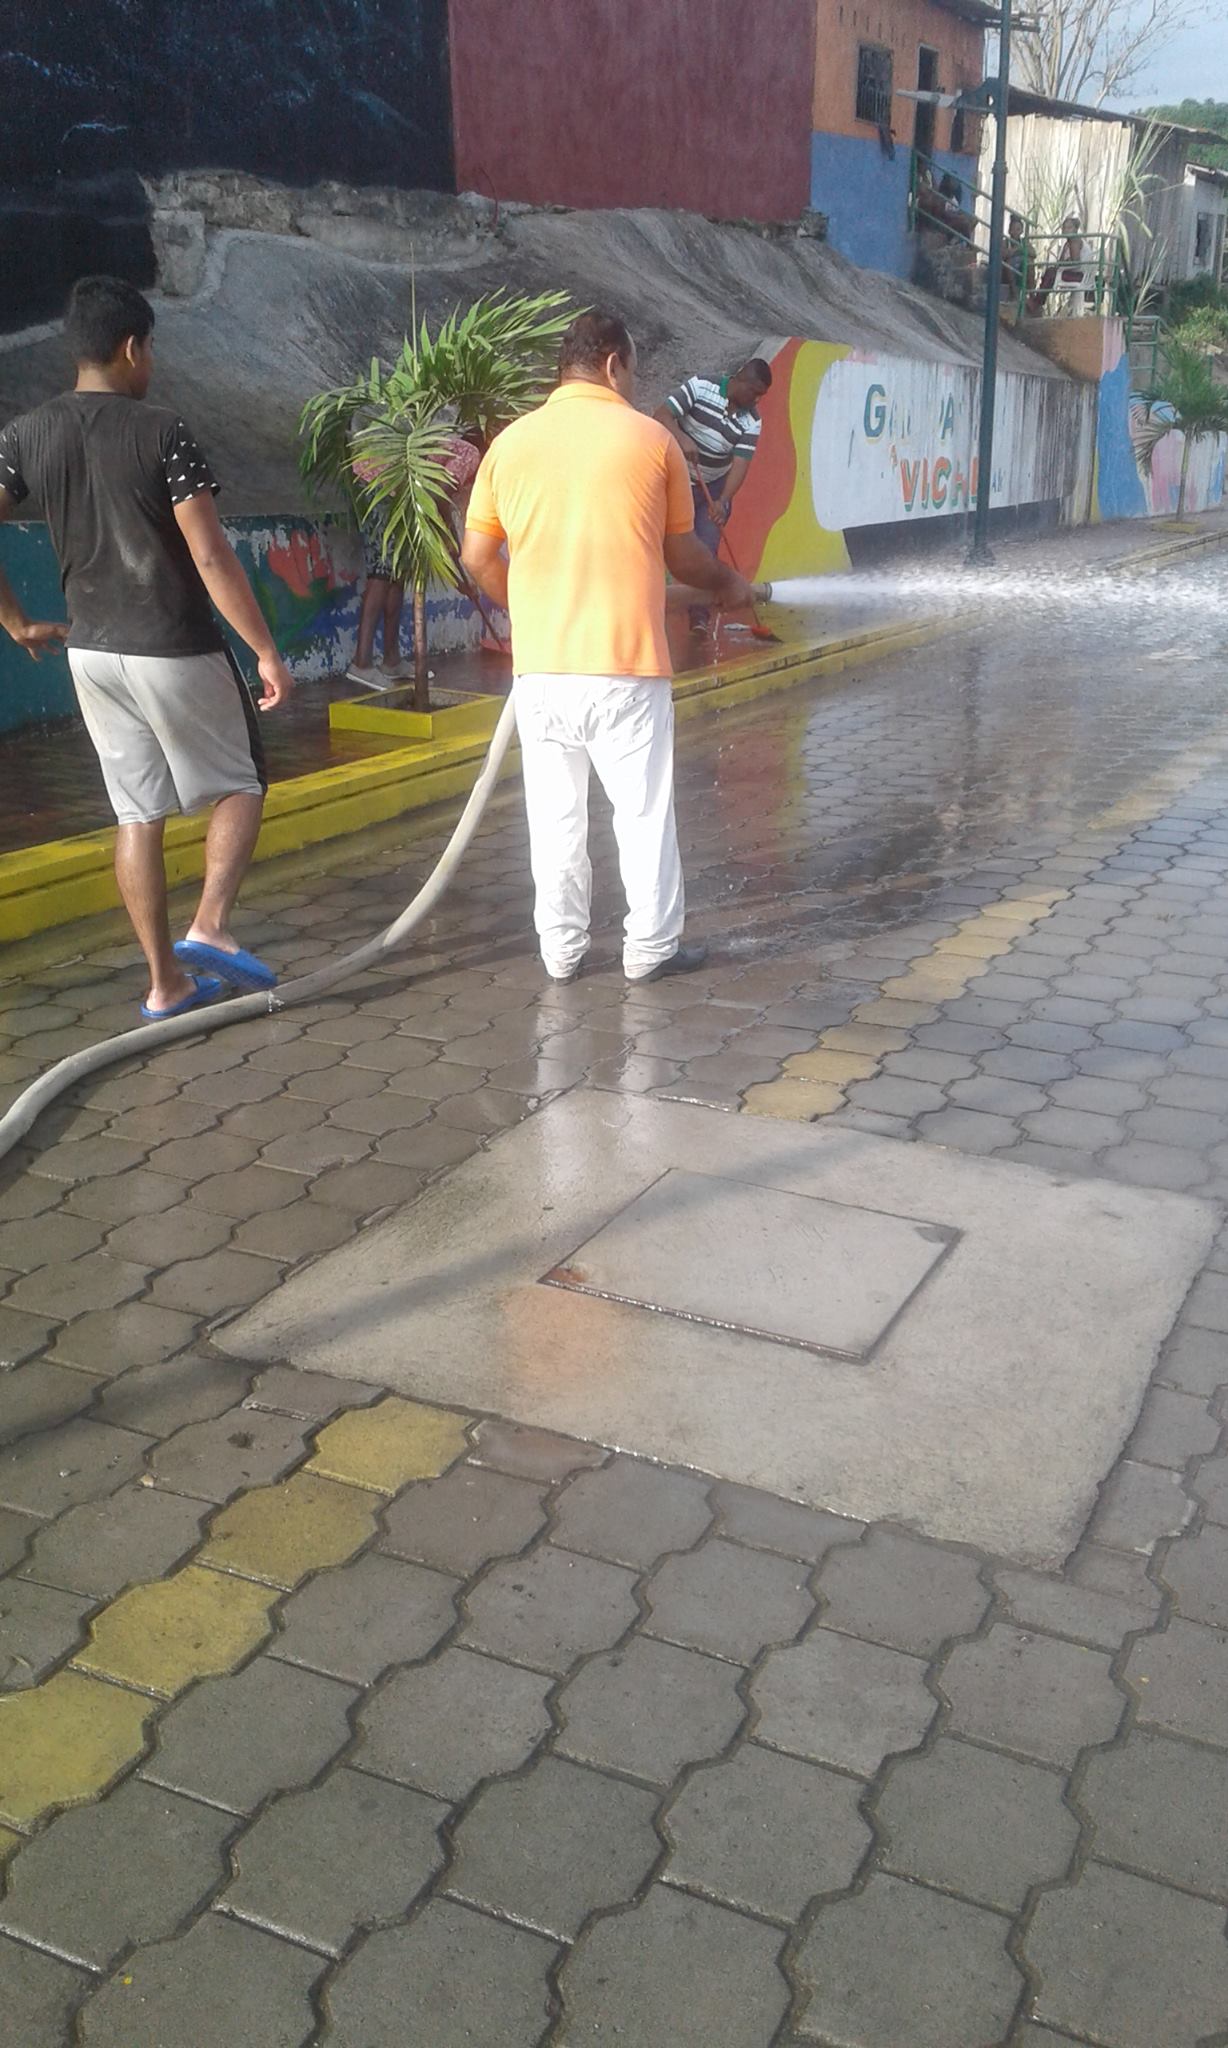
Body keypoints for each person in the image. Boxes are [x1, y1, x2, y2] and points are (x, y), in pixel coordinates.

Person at [0, 275, 292, 1018]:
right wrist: (264, 649)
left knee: (137, 815)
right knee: (243, 781)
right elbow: (211, 555)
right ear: (132, 348)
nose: (152, 363)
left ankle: (165, 986)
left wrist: (16, 622)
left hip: (91, 653)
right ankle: (211, 926)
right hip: (172, 643)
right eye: (151, 349)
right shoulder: (163, 431)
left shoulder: (26, 435)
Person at [461, 309, 755, 986]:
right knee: (642, 814)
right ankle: (649, 948)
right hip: (627, 671)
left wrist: (529, 611)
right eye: (634, 370)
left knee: (555, 820)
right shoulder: (651, 440)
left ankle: (561, 952)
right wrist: (729, 584)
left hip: (543, 675)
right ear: (615, 364)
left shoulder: (510, 444)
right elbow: (684, 557)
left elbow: (476, 556)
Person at [654, 359, 771, 632]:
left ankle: (699, 617)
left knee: (706, 552)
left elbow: (740, 464)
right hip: (673, 481)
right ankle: (653, 610)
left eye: (761, 395)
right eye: (754, 392)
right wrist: (682, 439)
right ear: (740, 379)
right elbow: (662, 415)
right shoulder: (701, 385)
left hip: (713, 488)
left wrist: (723, 501)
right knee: (658, 545)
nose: (756, 400)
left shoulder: (752, 421)